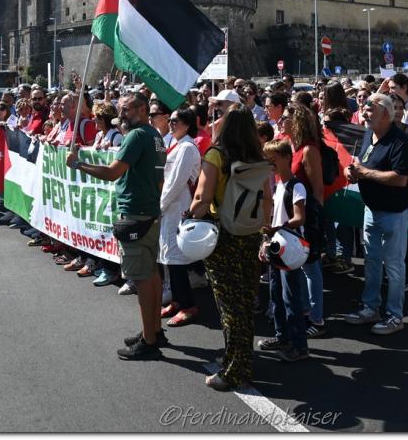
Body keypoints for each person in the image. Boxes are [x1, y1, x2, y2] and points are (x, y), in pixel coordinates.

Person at [67, 93, 166, 361]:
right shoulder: (154, 135)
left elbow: (113, 172)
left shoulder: (136, 137)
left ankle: (149, 341)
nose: (121, 113)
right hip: (149, 211)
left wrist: (78, 164)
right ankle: (154, 330)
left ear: (143, 109)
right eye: (120, 108)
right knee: (152, 273)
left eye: (127, 109)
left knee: (143, 277)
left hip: (137, 212)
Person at [185, 107, 272, 390]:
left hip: (222, 236)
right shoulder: (259, 158)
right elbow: (268, 201)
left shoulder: (216, 155)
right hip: (250, 234)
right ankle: (238, 357)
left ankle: (236, 369)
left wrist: (188, 216)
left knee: (228, 304)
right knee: (245, 301)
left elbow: (202, 197)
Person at [344, 93, 408, 336]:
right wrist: (351, 170)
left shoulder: (400, 142)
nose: (363, 111)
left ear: (385, 114)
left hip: (394, 212)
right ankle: (370, 307)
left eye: (369, 108)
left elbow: (400, 179)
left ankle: (395, 316)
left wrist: (364, 173)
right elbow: (364, 163)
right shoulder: (369, 134)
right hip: (372, 209)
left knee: (394, 266)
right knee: (372, 262)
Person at [257, 139, 313, 363]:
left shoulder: (296, 185)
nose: (270, 162)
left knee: (291, 298)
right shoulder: (278, 184)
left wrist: (277, 228)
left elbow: (300, 217)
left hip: (289, 248)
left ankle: (299, 346)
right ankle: (282, 337)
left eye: (274, 157)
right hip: (277, 246)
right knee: (276, 295)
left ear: (287, 158)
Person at [285, 102, 327, 338]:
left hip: (307, 217)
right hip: (294, 215)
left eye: (287, 117)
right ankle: (306, 310)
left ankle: (318, 319)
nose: (282, 120)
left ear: (297, 121)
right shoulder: (294, 147)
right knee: (300, 267)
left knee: (311, 268)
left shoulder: (309, 150)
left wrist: (314, 221)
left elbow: (318, 189)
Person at [159, 107, 201, 318]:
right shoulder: (176, 144)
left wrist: (161, 205)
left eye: (176, 121)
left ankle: (188, 305)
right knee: (169, 256)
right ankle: (176, 300)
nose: (172, 124)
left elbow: (176, 182)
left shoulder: (187, 148)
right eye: (171, 120)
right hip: (170, 206)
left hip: (178, 205)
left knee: (176, 259)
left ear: (187, 124)